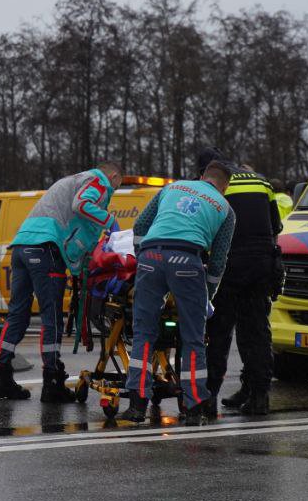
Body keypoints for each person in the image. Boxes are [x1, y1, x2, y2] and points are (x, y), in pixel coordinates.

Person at [0, 162, 123, 403]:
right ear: (113, 176)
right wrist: (110, 221)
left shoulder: (71, 180)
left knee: (17, 314)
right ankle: (52, 381)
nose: (113, 191)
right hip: (46, 249)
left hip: (22, 246)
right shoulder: (98, 181)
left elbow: (76, 225)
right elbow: (82, 205)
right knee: (51, 317)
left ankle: (0, 375)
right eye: (117, 185)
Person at [121, 160, 235, 426]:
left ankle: (137, 404)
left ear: (202, 176)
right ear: (225, 186)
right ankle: (194, 408)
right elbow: (218, 261)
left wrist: (142, 257)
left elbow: (140, 226)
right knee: (193, 338)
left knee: (143, 332)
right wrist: (207, 295)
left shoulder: (173, 188)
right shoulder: (225, 208)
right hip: (187, 259)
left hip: (151, 255)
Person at [206, 164, 284, 416]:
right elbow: (276, 227)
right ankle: (258, 395)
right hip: (261, 265)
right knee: (257, 332)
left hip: (229, 265)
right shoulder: (263, 184)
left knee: (218, 333)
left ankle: (209, 397)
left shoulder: (217, 187)